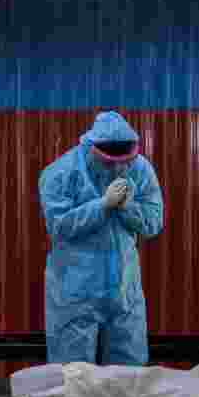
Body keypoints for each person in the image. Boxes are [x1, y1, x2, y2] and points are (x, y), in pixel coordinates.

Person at [38, 110, 164, 366]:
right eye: (109, 162)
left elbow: (153, 223)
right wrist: (102, 206)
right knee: (72, 373)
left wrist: (129, 209)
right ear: (91, 149)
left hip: (123, 291)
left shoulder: (139, 169)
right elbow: (59, 226)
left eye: (124, 162)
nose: (118, 168)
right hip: (75, 290)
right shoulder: (61, 174)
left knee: (128, 374)